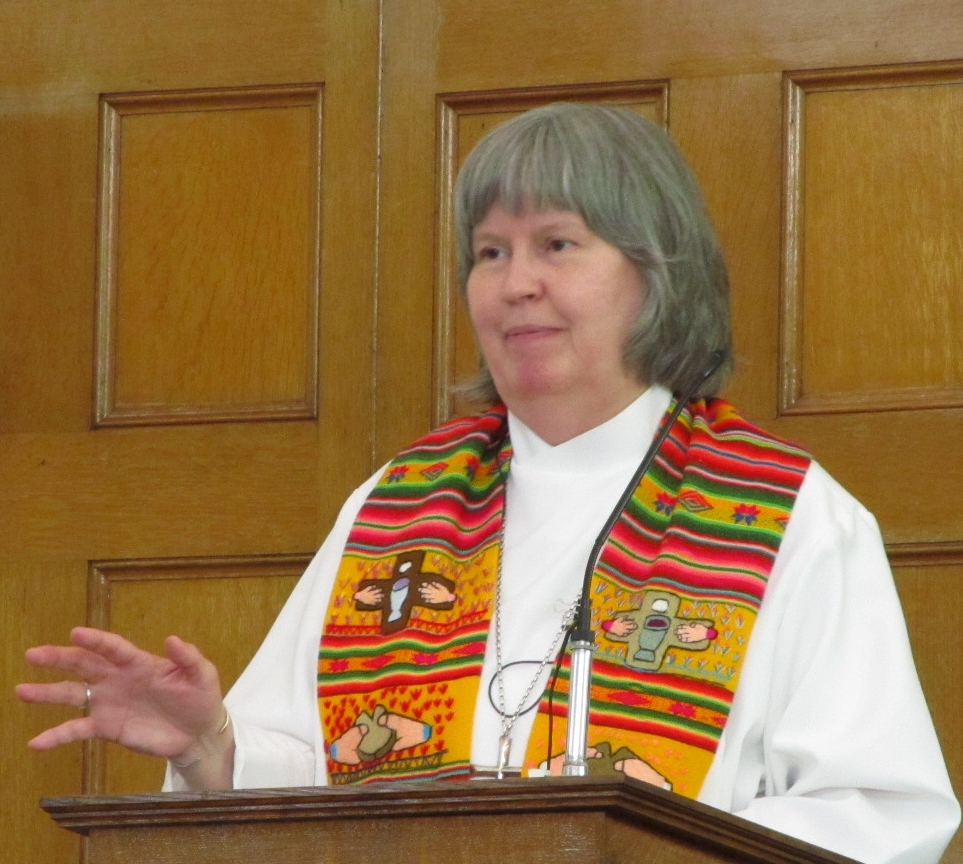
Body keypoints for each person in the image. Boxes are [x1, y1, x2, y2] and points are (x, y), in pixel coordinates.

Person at [17, 103, 959, 863]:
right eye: (490, 252)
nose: (514, 284)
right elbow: (313, 784)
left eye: (557, 245)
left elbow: (876, 813)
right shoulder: (400, 503)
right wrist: (210, 743)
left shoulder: (784, 512)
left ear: (658, 275)